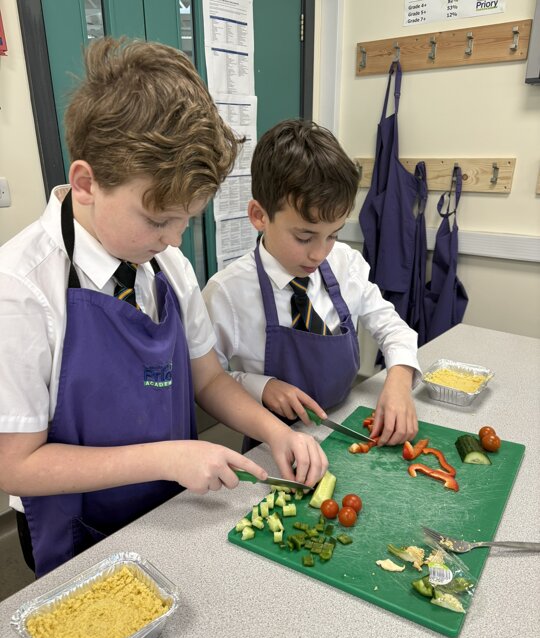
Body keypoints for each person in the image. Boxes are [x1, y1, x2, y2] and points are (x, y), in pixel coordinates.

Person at [0, 39, 326, 578]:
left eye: (186, 220)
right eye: (157, 220)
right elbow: (15, 465)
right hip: (79, 534)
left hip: (170, 509)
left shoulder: (166, 267)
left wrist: (276, 432)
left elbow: (209, 379)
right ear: (86, 183)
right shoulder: (20, 290)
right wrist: (167, 456)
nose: (174, 240)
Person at [202, 119, 421, 449]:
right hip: (272, 444)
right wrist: (261, 386)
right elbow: (208, 380)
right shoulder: (227, 293)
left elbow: (393, 328)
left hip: (343, 425)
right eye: (304, 237)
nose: (319, 253)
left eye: (332, 235)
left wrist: (400, 380)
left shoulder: (345, 264)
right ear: (259, 216)